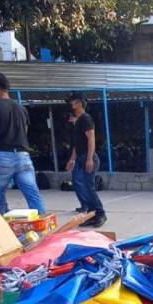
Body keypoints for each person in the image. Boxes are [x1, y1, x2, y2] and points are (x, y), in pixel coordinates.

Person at [0, 72, 46, 216]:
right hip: (23, 156)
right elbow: (24, 133)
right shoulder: (21, 108)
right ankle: (42, 225)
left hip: (2, 156)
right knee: (32, 193)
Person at [65, 93, 106, 227]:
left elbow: (91, 138)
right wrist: (72, 160)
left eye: (73, 102)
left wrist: (89, 158)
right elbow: (77, 145)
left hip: (88, 158)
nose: (71, 104)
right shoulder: (78, 122)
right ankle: (91, 214)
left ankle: (100, 214)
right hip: (80, 158)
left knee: (89, 187)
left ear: (79, 103)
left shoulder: (86, 119)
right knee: (78, 184)